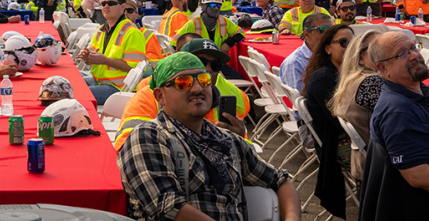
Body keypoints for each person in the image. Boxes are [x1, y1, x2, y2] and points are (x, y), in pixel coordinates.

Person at [117, 52, 301, 221]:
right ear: (160, 96)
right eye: (184, 83)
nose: (197, 88)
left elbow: (281, 181)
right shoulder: (148, 137)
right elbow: (170, 208)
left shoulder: (228, 140)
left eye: (204, 80)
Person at [361, 31, 429, 220]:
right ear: (383, 68)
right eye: (402, 54)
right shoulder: (399, 111)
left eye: (413, 47)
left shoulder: (417, 89)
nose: (414, 55)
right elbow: (417, 176)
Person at [114, 37, 250, 152]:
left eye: (215, 66)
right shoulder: (149, 96)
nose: (207, 69)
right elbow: (129, 147)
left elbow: (250, 163)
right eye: (200, 62)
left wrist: (239, 144)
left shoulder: (221, 104)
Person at [301, 24, 354, 219]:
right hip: (338, 143)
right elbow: (344, 121)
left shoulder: (345, 74)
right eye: (343, 43)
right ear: (328, 48)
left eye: (353, 43)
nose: (350, 47)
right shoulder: (324, 78)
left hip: (349, 137)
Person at [78, 0, 148, 104]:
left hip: (118, 88)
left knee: (75, 93)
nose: (106, 6)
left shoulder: (132, 32)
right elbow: (91, 61)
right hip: (99, 81)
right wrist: (87, 58)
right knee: (67, 83)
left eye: (111, 3)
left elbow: (133, 69)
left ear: (122, 6)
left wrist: (105, 60)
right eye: (103, 3)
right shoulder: (102, 29)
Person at [330, 31, 382, 181]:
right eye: (375, 48)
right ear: (360, 57)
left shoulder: (355, 78)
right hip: (378, 163)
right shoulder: (371, 83)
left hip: (365, 156)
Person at [173, 0, 244, 53]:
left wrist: (228, 43)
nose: (216, 8)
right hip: (199, 63)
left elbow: (241, 33)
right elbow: (174, 42)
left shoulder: (223, 21)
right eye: (212, 5)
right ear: (204, 7)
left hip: (216, 62)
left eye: (218, 6)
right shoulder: (193, 23)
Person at [280, 13, 333, 94]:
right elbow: (298, 99)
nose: (329, 35)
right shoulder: (294, 63)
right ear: (307, 34)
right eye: (323, 30)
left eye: (331, 30)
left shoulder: (331, 54)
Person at [124, 0, 165, 67]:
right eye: (123, 11)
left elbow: (155, 65)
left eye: (130, 11)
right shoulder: (112, 34)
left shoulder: (147, 35)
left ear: (136, 15)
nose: (125, 14)